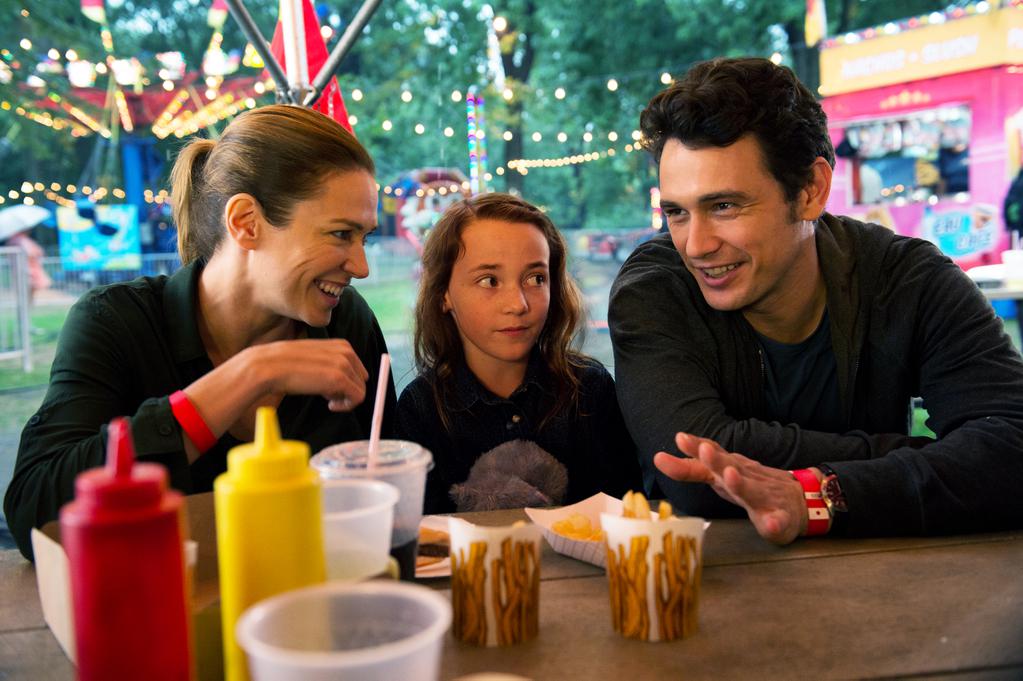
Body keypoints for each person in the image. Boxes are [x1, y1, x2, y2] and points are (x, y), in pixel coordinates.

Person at [608, 57, 1023, 545]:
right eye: (677, 212)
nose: (696, 245)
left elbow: (1011, 448)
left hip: (896, 594)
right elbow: (693, 475)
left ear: (811, 190)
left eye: (724, 206)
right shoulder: (654, 290)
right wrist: (915, 454)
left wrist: (821, 493)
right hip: (712, 593)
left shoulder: (909, 279)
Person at [4, 105, 396, 560]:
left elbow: (393, 488)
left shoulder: (347, 323)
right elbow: (37, 513)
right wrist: (253, 373)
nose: (362, 267)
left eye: (363, 237)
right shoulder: (117, 323)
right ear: (246, 222)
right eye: (340, 234)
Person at [395, 192, 641, 513]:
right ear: (443, 293)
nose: (518, 304)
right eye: (489, 280)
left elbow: (624, 516)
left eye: (536, 278)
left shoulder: (591, 392)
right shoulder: (420, 410)